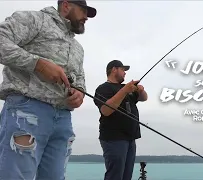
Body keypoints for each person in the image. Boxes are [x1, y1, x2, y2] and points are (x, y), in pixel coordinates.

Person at [0, 0, 96, 179]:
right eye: (84, 11)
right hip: (26, 113)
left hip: (63, 121)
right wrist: (38, 64)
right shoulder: (35, 20)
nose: (86, 18)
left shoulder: (78, 48)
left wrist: (80, 92)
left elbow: (80, 78)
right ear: (66, 5)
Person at [93, 60, 148, 180]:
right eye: (123, 70)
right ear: (114, 69)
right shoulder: (103, 88)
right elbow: (106, 110)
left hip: (130, 138)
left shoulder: (127, 88)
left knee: (126, 176)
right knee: (115, 176)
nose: (125, 73)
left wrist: (140, 90)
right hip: (113, 138)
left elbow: (144, 98)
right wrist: (125, 90)